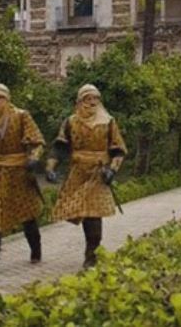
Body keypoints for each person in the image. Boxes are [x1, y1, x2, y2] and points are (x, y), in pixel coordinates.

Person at [46, 84, 128, 269]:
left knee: (93, 213)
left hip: (98, 172)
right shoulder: (71, 122)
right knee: (80, 211)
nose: (92, 102)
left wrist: (112, 169)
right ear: (79, 101)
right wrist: (50, 167)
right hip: (78, 171)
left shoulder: (108, 122)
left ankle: (92, 253)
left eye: (95, 98)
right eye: (87, 98)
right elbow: (59, 147)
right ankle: (91, 250)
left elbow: (118, 150)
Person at [0, 84, 45, 278]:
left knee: (27, 213)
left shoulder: (21, 116)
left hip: (20, 172)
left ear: (7, 100)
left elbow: (37, 142)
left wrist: (33, 158)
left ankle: (35, 248)